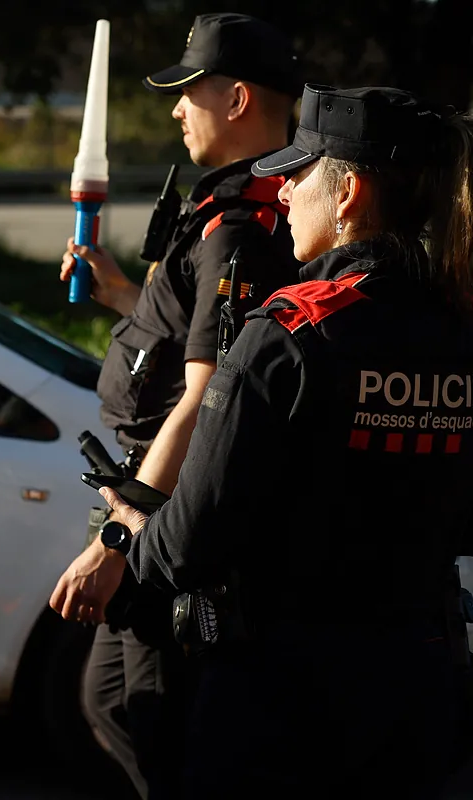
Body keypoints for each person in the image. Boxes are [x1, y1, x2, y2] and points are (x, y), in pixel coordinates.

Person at [54, 83, 473, 797]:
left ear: (349, 195)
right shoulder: (459, 327)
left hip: (285, 703)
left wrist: (129, 527)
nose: (281, 193)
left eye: (300, 172)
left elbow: (188, 544)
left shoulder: (290, 334)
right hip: (424, 693)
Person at [52, 13, 304, 799]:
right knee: (111, 702)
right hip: (154, 497)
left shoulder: (243, 225)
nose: (175, 109)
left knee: (149, 716)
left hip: (169, 512)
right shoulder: (233, 210)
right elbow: (198, 335)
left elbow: (208, 394)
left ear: (236, 101)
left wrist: (120, 536)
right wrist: (124, 296)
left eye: (188, 91)